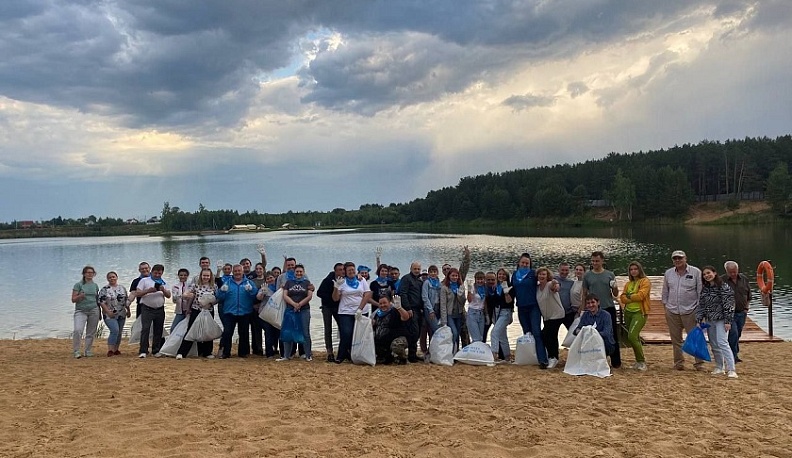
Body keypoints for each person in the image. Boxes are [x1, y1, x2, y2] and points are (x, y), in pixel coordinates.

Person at [661, 250, 704, 371]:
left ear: (685, 259)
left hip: (691, 310)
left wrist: (699, 311)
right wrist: (665, 307)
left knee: (695, 338)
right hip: (672, 311)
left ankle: (699, 364)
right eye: (675, 258)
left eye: (680, 258)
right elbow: (665, 291)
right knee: (676, 340)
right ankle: (678, 363)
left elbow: (700, 292)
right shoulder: (668, 273)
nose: (677, 260)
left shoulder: (696, 272)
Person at [581, 251, 621, 368]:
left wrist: (615, 287)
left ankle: (616, 362)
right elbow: (584, 294)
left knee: (612, 335)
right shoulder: (587, 276)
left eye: (597, 261)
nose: (595, 263)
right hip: (593, 309)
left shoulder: (609, 274)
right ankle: (595, 359)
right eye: (593, 261)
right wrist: (582, 310)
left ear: (602, 261)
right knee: (593, 334)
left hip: (608, 307)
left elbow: (615, 294)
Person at [698, 265, 738, 378]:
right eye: (704, 274)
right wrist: (699, 319)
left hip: (722, 319)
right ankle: (719, 367)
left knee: (722, 342)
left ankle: (731, 369)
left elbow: (729, 304)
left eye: (708, 273)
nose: (707, 276)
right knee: (714, 344)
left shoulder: (723, 287)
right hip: (710, 320)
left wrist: (728, 321)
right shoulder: (705, 289)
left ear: (714, 273)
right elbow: (701, 305)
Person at [511, 253, 547, 368]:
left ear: (530, 264)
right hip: (521, 307)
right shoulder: (514, 275)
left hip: (533, 307)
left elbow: (546, 279)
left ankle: (542, 360)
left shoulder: (533, 274)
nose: (525, 265)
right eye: (523, 262)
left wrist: (555, 284)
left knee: (536, 332)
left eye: (527, 263)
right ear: (519, 263)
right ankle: (530, 357)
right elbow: (512, 291)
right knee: (527, 332)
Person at [215, 264, 259, 359]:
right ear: (233, 272)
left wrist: (251, 291)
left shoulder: (249, 283)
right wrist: (221, 291)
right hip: (229, 311)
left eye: (239, 271)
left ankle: (242, 353)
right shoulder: (227, 282)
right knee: (227, 332)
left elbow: (255, 296)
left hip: (245, 311)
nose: (237, 273)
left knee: (243, 333)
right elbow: (219, 297)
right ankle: (226, 353)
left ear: (242, 271)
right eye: (235, 271)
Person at [332, 262, 372, 364]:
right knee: (346, 333)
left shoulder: (361, 280)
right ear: (345, 271)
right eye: (349, 270)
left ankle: (357, 355)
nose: (351, 272)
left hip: (361, 311)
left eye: (353, 270)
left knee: (360, 334)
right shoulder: (342, 281)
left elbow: (367, 294)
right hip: (345, 312)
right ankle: (341, 356)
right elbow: (335, 298)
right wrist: (336, 287)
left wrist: (360, 309)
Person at [177, 268, 217, 359]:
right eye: (204, 275)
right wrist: (186, 295)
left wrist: (211, 303)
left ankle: (207, 352)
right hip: (196, 310)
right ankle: (182, 352)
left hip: (208, 311)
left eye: (207, 275)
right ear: (201, 276)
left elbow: (217, 298)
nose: (206, 277)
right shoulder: (195, 285)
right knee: (190, 330)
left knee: (207, 331)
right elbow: (186, 294)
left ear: (210, 276)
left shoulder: (214, 286)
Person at [618, 261, 651, 371]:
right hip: (628, 312)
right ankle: (638, 361)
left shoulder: (645, 281)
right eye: (631, 269)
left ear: (639, 270)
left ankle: (642, 361)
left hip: (639, 312)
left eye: (635, 269)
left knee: (632, 336)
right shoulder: (628, 284)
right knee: (634, 337)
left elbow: (641, 296)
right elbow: (622, 298)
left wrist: (629, 296)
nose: (633, 271)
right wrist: (631, 297)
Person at [278, 264, 314, 362]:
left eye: (300, 272)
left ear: (303, 272)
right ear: (294, 272)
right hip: (290, 309)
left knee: (305, 332)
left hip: (304, 310)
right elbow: (285, 295)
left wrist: (300, 304)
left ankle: (308, 355)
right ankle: (286, 355)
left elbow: (309, 296)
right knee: (288, 332)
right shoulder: (289, 282)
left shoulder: (307, 283)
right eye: (297, 271)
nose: (299, 273)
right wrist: (294, 304)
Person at [135, 264, 171, 358]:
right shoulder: (144, 280)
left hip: (159, 309)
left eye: (159, 273)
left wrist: (163, 290)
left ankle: (156, 350)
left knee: (158, 329)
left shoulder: (164, 282)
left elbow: (168, 295)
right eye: (155, 273)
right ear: (152, 272)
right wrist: (148, 291)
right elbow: (137, 293)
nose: (157, 275)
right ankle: (143, 350)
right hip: (147, 308)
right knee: (145, 329)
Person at [372, 291, 416, 365]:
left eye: (384, 303)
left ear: (389, 303)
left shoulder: (395, 311)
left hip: (397, 338)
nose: (383, 305)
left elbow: (406, 317)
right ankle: (388, 357)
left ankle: (402, 358)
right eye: (380, 303)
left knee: (396, 346)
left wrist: (399, 308)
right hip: (383, 341)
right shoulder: (377, 314)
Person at [536, 267, 565, 369]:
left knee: (547, 335)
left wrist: (556, 284)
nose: (541, 276)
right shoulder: (537, 288)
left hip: (557, 315)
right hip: (547, 317)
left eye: (544, 274)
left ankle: (554, 357)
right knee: (549, 336)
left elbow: (555, 286)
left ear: (547, 276)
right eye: (540, 274)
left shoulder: (549, 285)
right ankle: (551, 356)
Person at [723, 260, 751, 363]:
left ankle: (735, 353)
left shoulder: (744, 279)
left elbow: (749, 295)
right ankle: (732, 356)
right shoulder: (722, 281)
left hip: (742, 312)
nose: (733, 274)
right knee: (733, 333)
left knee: (738, 333)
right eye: (730, 272)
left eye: (734, 271)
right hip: (729, 313)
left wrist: (746, 308)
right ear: (726, 271)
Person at [97, 271, 130, 357]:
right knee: (115, 330)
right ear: (107, 279)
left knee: (119, 332)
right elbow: (101, 302)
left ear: (116, 277)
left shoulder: (122, 288)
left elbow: (126, 300)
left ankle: (116, 349)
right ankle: (110, 350)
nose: (112, 278)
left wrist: (128, 310)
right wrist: (108, 311)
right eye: (110, 277)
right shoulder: (105, 289)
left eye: (113, 277)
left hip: (121, 313)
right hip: (109, 314)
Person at [398, 262, 425, 363]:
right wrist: (408, 308)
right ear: (411, 269)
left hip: (419, 309)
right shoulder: (406, 279)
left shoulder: (419, 281)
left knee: (417, 332)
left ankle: (413, 354)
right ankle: (411, 356)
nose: (417, 271)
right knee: (414, 331)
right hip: (410, 309)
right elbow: (403, 293)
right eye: (415, 269)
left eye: (418, 269)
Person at [317, 263, 344, 362]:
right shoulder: (328, 280)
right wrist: (331, 298)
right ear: (335, 271)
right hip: (327, 307)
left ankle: (343, 350)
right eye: (340, 270)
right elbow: (319, 293)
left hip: (338, 307)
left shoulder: (345, 280)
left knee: (342, 328)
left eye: (343, 269)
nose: (342, 271)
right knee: (328, 329)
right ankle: (329, 352)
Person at [71, 266, 100, 358]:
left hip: (94, 310)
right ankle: (76, 351)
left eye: (92, 273)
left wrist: (100, 312)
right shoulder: (78, 285)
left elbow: (97, 299)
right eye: (88, 272)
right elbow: (73, 299)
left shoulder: (95, 286)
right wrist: (80, 296)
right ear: (84, 274)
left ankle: (88, 350)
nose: (90, 274)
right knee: (78, 330)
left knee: (91, 332)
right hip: (81, 310)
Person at [486, 272, 513, 362]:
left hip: (505, 312)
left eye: (503, 274)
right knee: (502, 336)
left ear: (507, 276)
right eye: (500, 274)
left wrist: (506, 292)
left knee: (494, 333)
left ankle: (494, 355)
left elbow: (509, 302)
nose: (501, 276)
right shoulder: (496, 287)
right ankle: (507, 357)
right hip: (497, 312)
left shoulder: (509, 286)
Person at [439, 268, 466, 353]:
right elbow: (443, 305)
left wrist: (460, 295)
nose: (455, 277)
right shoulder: (444, 288)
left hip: (459, 313)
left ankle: (455, 352)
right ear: (449, 276)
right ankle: (449, 351)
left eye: (456, 276)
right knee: (454, 332)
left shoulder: (461, 287)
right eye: (453, 275)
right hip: (449, 314)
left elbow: (463, 302)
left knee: (457, 334)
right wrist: (444, 321)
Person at [255, 271, 281, 358]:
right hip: (265, 314)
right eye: (268, 278)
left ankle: (275, 349)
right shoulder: (264, 287)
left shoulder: (278, 288)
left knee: (277, 333)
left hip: (275, 314)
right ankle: (269, 353)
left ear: (274, 278)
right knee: (268, 332)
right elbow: (258, 297)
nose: (270, 280)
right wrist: (263, 293)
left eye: (271, 278)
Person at [421, 265, 442, 350]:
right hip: (429, 308)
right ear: (428, 273)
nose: (433, 273)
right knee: (436, 329)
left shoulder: (439, 283)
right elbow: (424, 297)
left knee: (432, 330)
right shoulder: (426, 283)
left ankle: (432, 349)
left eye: (435, 272)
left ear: (437, 273)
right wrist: (430, 310)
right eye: (431, 272)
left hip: (437, 308)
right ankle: (431, 349)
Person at [466, 272, 487, 343]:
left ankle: (477, 350)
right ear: (475, 279)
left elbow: (485, 302)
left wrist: (487, 315)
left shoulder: (485, 288)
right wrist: (469, 291)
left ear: (484, 279)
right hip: (472, 313)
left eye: (481, 279)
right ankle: (473, 349)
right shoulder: (473, 287)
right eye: (478, 279)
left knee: (481, 337)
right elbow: (469, 300)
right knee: (476, 338)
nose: (480, 281)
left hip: (481, 314)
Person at [555, 263, 577, 330]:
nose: (564, 272)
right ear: (558, 270)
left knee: (572, 331)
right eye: (562, 270)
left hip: (568, 312)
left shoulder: (571, 282)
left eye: (566, 270)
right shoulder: (553, 280)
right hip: (556, 313)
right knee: (552, 333)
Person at [170, 268, 191, 332]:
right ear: (178, 276)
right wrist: (180, 296)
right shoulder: (175, 286)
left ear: (187, 276)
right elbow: (174, 300)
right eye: (181, 275)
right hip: (180, 311)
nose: (183, 277)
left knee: (188, 328)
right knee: (173, 328)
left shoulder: (190, 285)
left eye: (185, 275)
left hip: (189, 311)